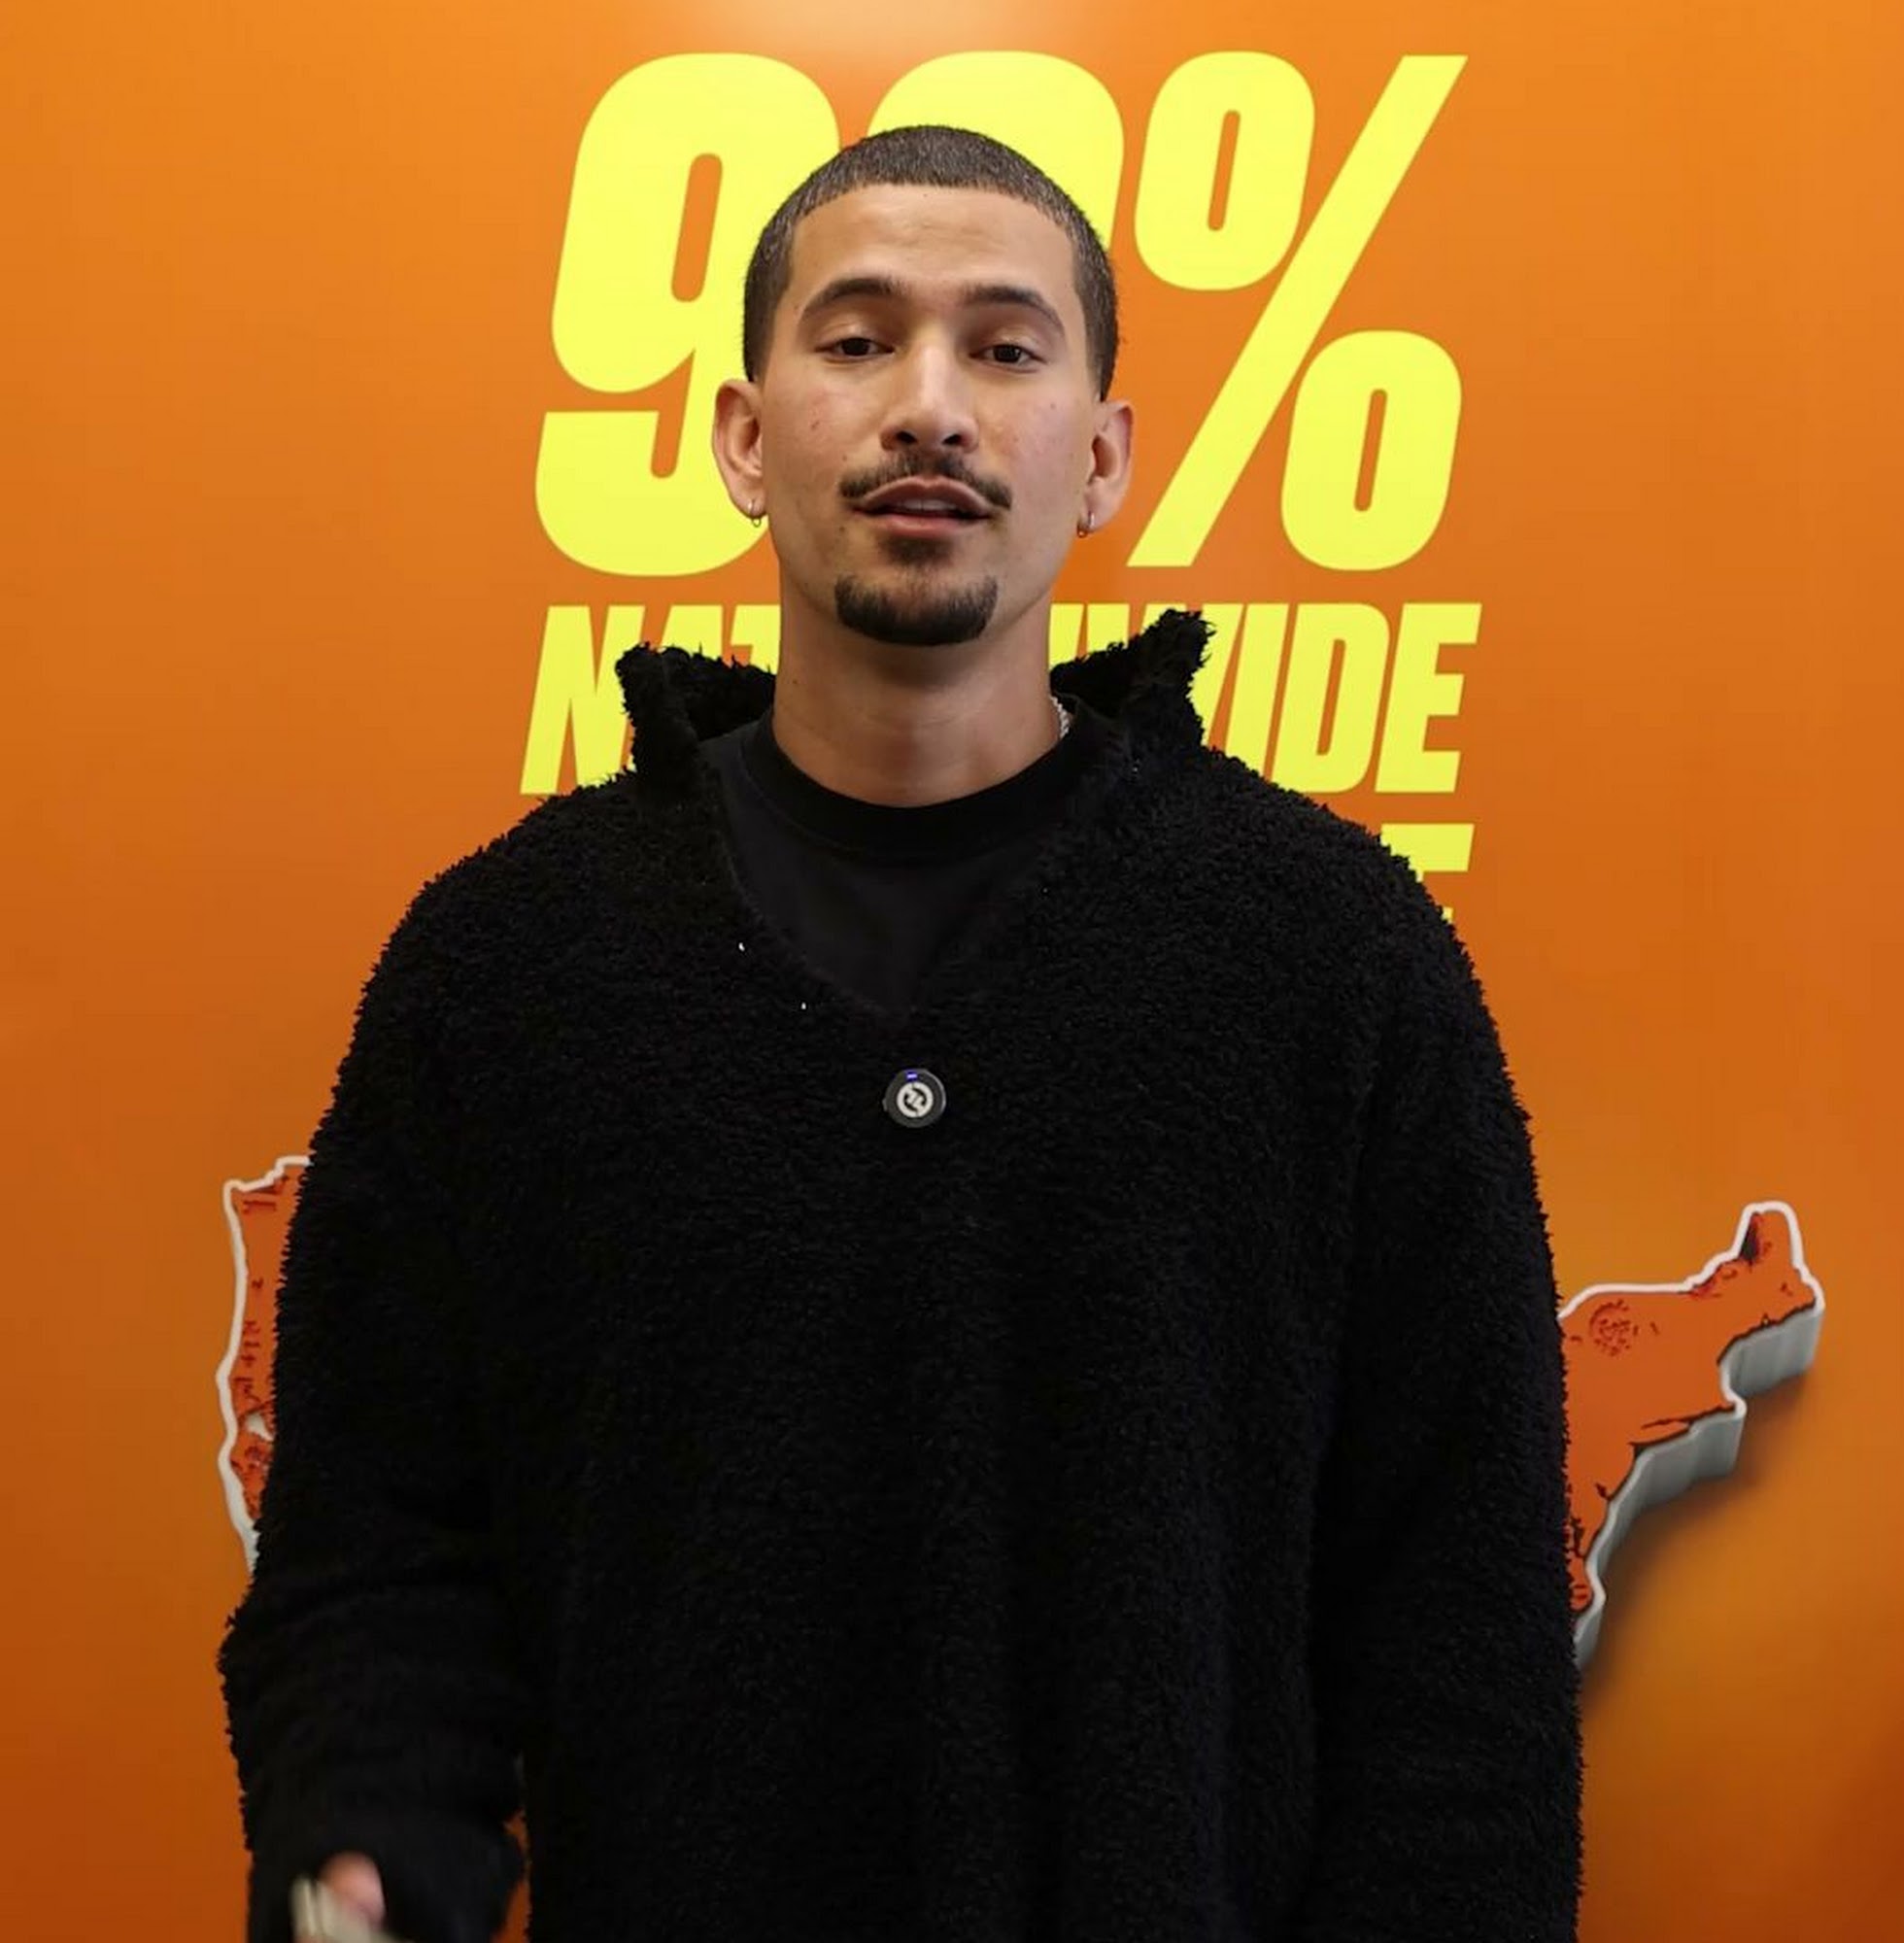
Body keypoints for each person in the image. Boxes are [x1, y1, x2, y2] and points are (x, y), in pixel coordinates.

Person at [219, 124, 1584, 1943]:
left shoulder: (1334, 958)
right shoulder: (508, 966)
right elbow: (375, 1549)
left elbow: (1459, 1626)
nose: (929, 406)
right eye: (857, 340)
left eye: (1006, 349)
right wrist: (371, 1834)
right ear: (742, 436)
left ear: (1102, 457)